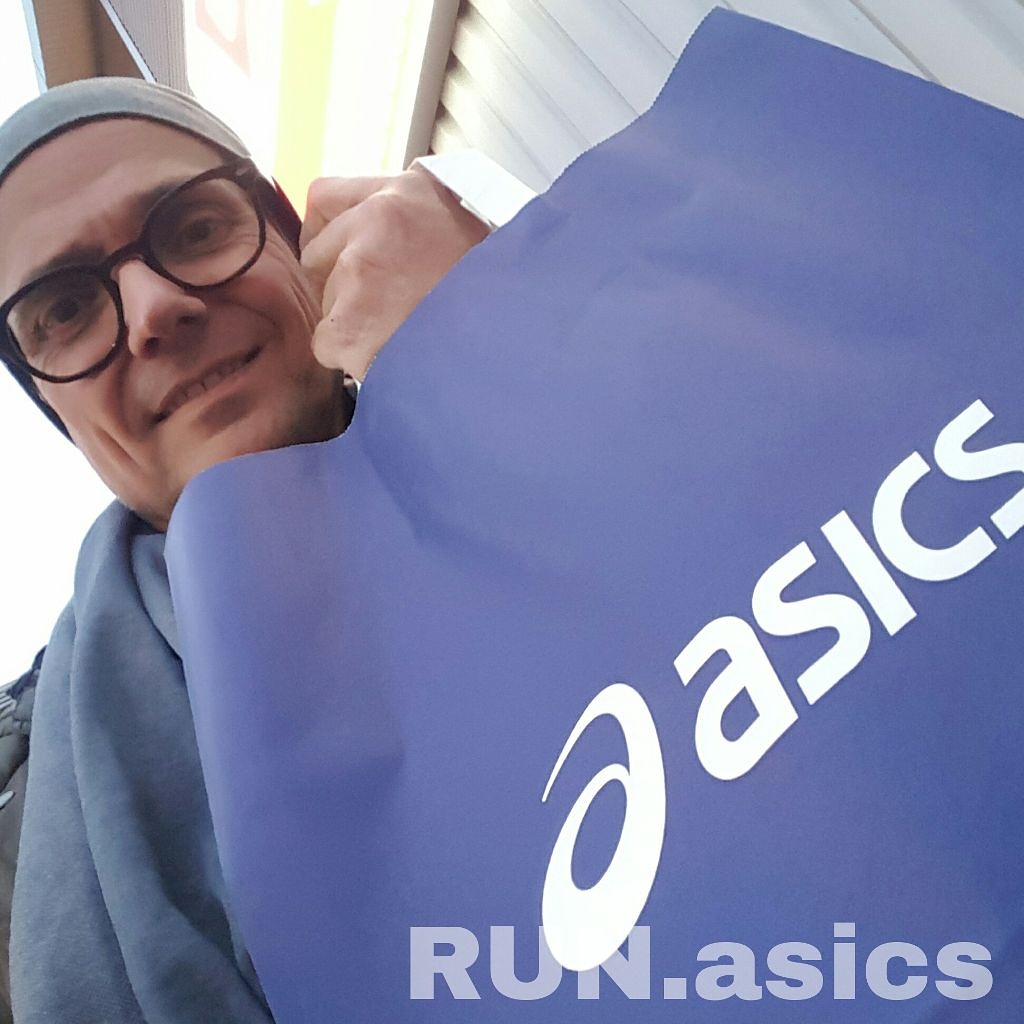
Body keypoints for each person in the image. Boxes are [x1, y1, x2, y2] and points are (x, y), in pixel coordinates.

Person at [0, 76, 494, 1023]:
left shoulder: (538, 346)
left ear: (288, 236)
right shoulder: (25, 817)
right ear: (56, 410)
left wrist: (523, 328)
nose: (152, 309)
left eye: (193, 228)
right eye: (63, 309)